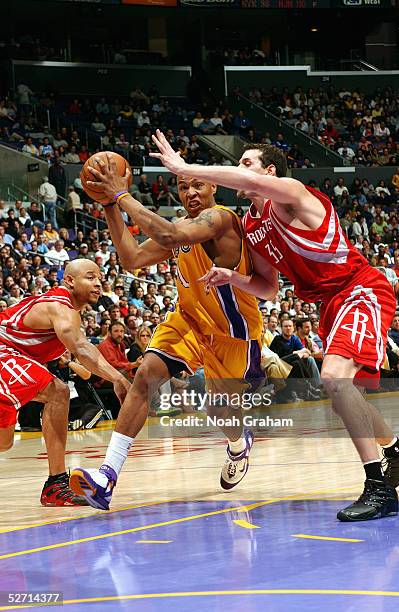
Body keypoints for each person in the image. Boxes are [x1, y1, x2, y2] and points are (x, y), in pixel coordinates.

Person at [149, 129, 399, 523]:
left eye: (245, 162)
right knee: (340, 390)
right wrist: (232, 278)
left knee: (334, 380)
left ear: (269, 171)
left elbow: (249, 181)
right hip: (329, 305)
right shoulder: (251, 226)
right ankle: (393, 449)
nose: (239, 170)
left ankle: (378, 487)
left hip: (360, 288)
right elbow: (267, 288)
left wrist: (183, 167)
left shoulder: (294, 195)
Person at [70, 155, 264, 510]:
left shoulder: (222, 219)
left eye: (197, 185)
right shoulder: (180, 227)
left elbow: (169, 234)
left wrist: (121, 195)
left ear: (213, 186)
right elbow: (131, 259)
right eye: (183, 186)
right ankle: (107, 476)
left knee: (219, 411)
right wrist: (110, 204)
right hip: (188, 321)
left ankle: (239, 444)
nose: (190, 192)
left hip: (232, 334)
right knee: (145, 375)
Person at [0, 259, 129, 506]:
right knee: (58, 391)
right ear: (69, 280)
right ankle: (56, 484)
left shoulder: (67, 311)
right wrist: (118, 377)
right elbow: (81, 348)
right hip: (4, 352)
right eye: (90, 277)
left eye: (99, 278)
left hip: (12, 359)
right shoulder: (60, 307)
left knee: (4, 443)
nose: (98, 283)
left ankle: (55, 485)